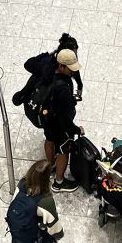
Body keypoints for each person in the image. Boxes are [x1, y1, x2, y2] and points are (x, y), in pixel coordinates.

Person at [9, 160, 65, 243]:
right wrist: (59, 235)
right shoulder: (45, 201)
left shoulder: (22, 184)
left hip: (21, 237)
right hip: (40, 239)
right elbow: (56, 230)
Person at [40, 49, 83, 192]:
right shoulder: (63, 88)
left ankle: (51, 165)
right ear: (61, 66)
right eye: (70, 68)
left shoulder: (48, 72)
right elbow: (65, 120)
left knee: (49, 140)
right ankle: (59, 182)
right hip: (59, 124)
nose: (73, 72)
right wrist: (77, 130)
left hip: (47, 118)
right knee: (65, 150)